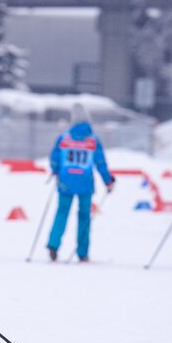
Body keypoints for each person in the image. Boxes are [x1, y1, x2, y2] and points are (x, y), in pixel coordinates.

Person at [46, 104, 114, 262]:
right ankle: (82, 252)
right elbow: (100, 162)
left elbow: (55, 157)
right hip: (85, 183)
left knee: (61, 213)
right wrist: (108, 181)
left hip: (66, 182)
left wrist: (55, 170)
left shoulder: (64, 138)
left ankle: (53, 244)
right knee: (84, 217)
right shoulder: (93, 140)